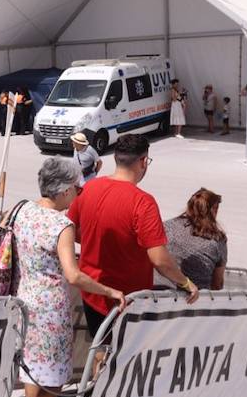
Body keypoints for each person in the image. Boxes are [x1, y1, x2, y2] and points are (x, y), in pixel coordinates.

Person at [10, 159, 126, 397]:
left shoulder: (23, 211)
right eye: (76, 187)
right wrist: (109, 290)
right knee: (58, 375)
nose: (79, 191)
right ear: (62, 191)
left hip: (25, 299)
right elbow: (73, 275)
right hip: (51, 307)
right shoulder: (61, 225)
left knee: (34, 370)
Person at [67, 134, 199, 342]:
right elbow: (160, 260)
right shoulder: (143, 203)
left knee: (99, 350)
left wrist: (95, 241)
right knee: (124, 357)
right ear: (143, 162)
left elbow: (70, 229)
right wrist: (186, 283)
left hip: (92, 292)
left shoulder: (90, 188)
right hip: (126, 300)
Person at [163, 188, 227, 291]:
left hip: (160, 295)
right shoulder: (217, 239)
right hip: (197, 300)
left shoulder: (167, 227)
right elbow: (217, 284)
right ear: (214, 210)